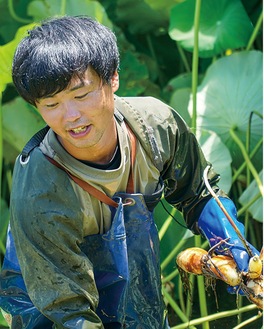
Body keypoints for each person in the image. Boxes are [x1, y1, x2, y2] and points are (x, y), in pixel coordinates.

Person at [0, 15, 259, 329]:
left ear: (112, 80)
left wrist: (233, 245)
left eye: (81, 96)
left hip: (133, 286)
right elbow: (68, 312)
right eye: (51, 104)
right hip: (49, 304)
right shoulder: (41, 187)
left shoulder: (154, 126)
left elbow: (198, 194)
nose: (71, 117)